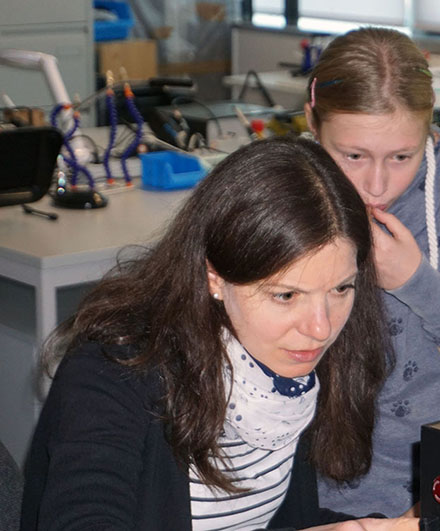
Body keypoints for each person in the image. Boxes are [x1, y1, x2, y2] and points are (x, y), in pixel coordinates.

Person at [20, 137, 417, 531]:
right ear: (215, 276)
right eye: (286, 295)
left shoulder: (293, 359)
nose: (321, 327)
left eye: (341, 289)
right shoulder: (114, 367)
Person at [304, 27, 440, 516]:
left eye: (401, 157)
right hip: (317, 489)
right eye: (352, 156)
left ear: (430, 131)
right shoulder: (287, 201)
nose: (376, 184)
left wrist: (418, 283)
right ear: (311, 122)